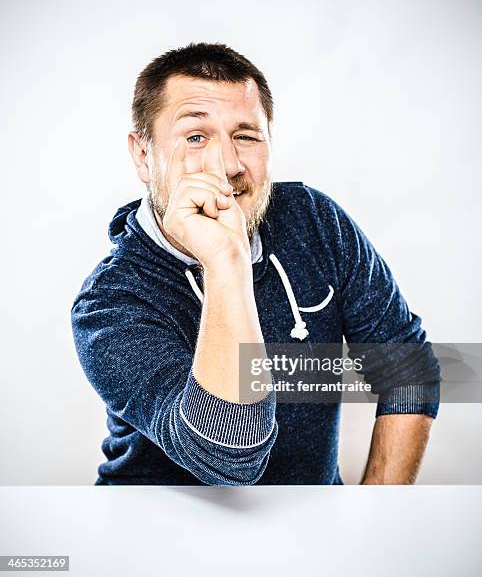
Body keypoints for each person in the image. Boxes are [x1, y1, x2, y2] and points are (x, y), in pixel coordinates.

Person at [71, 42, 440, 485]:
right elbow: (229, 459)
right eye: (195, 137)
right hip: (158, 536)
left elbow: (406, 363)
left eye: (245, 136)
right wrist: (227, 261)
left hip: (311, 531)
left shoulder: (315, 222)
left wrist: (377, 509)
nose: (227, 166)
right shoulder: (110, 303)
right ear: (143, 155)